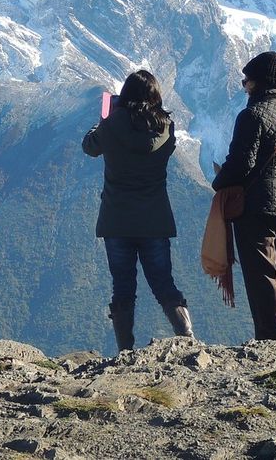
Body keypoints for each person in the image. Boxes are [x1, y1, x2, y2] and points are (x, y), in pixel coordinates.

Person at [82, 69, 193, 352]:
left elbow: (89, 147)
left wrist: (103, 120)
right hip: (155, 221)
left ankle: (125, 351)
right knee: (163, 283)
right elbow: (164, 147)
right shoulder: (166, 129)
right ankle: (187, 337)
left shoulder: (110, 126)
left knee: (122, 287)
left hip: (117, 220)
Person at [212, 51, 276, 341]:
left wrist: (219, 182)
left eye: (246, 82)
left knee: (261, 274)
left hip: (259, 206)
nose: (244, 87)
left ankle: (272, 339)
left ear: (255, 83)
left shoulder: (252, 115)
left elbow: (242, 163)